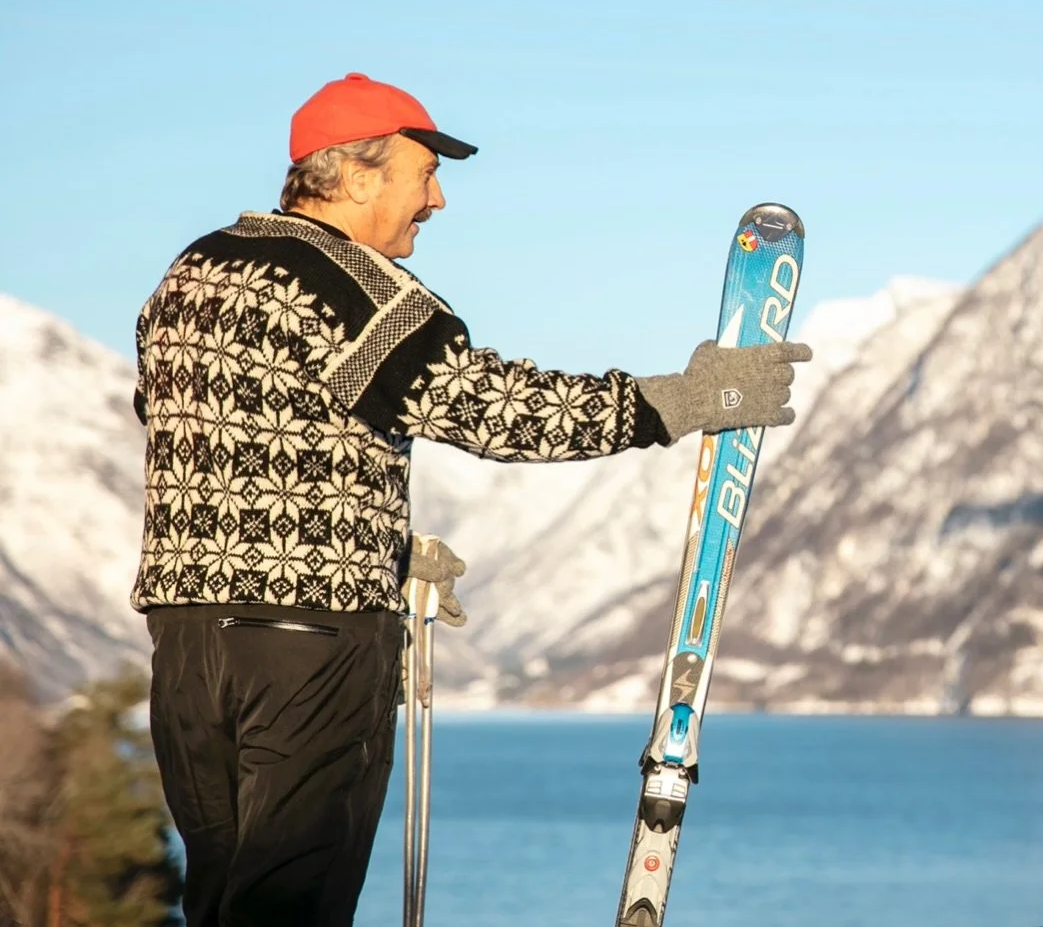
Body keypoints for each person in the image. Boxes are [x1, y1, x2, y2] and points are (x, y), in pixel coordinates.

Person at [131, 71, 811, 927]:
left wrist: (385, 542)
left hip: (189, 642)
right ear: (356, 174)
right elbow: (489, 406)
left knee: (226, 895)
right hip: (313, 641)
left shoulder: (191, 275)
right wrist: (678, 402)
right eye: (425, 173)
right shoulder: (357, 290)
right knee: (291, 902)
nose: (439, 199)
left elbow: (205, 430)